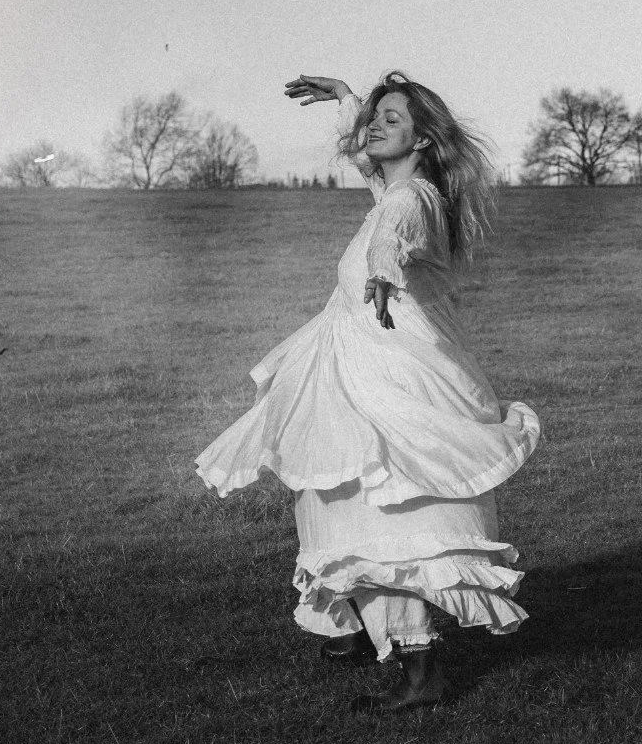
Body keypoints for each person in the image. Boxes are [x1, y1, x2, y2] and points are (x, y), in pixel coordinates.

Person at [195, 71, 540, 709]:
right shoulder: (398, 188)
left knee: (383, 504)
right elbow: (373, 175)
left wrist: (382, 273)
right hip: (355, 361)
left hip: (387, 371)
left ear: (424, 141)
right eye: (376, 117)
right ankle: (358, 620)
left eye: (392, 120)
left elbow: (393, 233)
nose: (376, 128)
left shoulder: (413, 201)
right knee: (333, 490)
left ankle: (420, 667)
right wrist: (349, 97)